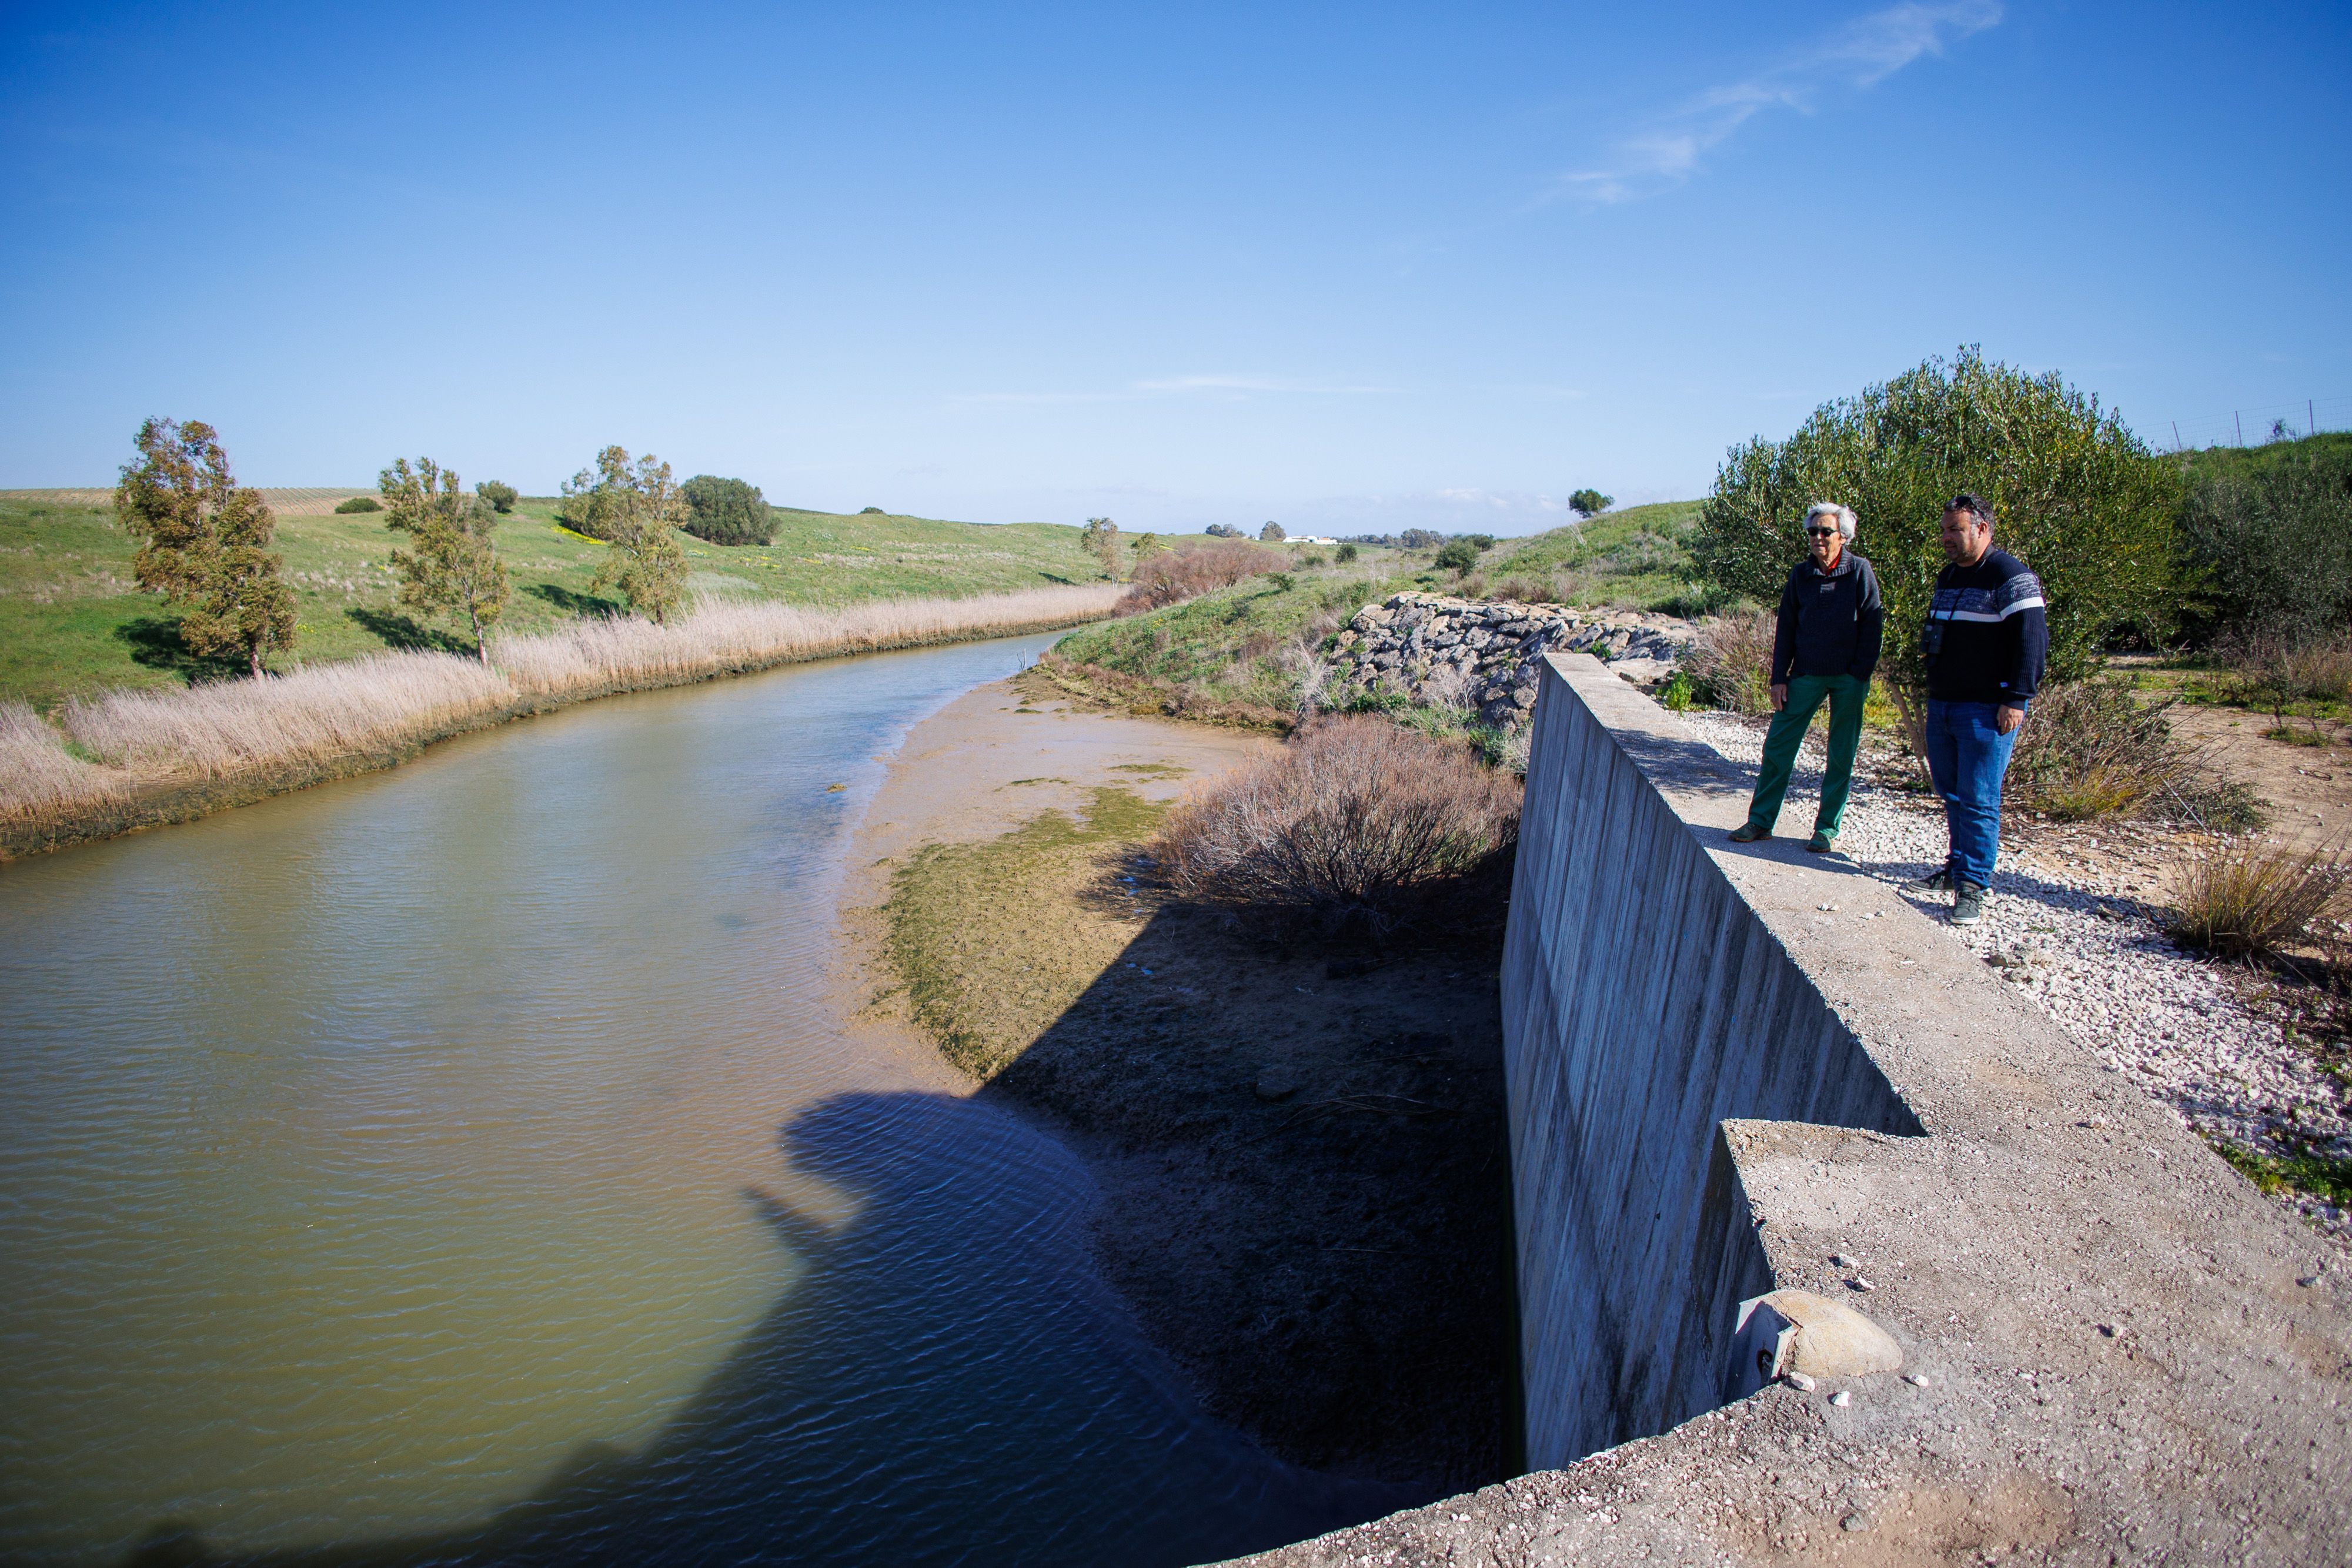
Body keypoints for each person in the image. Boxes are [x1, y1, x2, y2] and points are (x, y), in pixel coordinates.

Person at [1906, 493, 2046, 926]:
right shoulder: (1948, 576)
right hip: (1944, 704)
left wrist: (2016, 699)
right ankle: (1957, 868)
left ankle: (1973, 887)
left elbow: (2032, 642)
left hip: (1987, 709)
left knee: (1980, 798)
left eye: (1956, 529)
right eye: (1944, 529)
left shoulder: (2011, 576)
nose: (1946, 537)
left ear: (1982, 529)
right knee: (1952, 793)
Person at [1728, 502, 1882, 854]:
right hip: (1805, 675)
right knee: (1778, 747)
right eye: (1812, 532)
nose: (1817, 538)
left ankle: (1826, 829)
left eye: (1825, 532)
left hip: (1848, 678)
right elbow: (1786, 629)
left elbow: (1873, 624)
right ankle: (1761, 822)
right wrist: (1778, 678)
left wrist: (1860, 672)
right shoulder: (1801, 575)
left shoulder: (1860, 571)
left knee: (1841, 754)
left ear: (1843, 535)